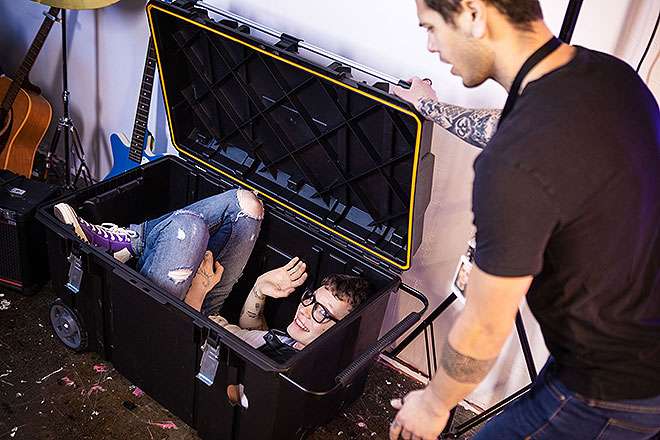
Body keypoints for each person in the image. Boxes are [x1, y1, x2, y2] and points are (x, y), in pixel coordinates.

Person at [388, 1, 660, 439]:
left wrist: (434, 404)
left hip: (611, 385)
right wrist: (429, 106)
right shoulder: (612, 77)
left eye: (432, 27)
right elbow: (526, 133)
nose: (431, 46)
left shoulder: (512, 163)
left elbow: (485, 328)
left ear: (474, 13)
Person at [53, 188, 371, 361]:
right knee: (248, 205)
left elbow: (187, 348)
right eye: (311, 299)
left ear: (342, 331)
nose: (305, 310)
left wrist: (199, 291)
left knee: (189, 228)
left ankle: (128, 244)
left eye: (322, 312)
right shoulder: (296, 342)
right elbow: (251, 332)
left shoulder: (296, 368)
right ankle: (132, 241)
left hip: (175, 324)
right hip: (208, 312)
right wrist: (259, 288)